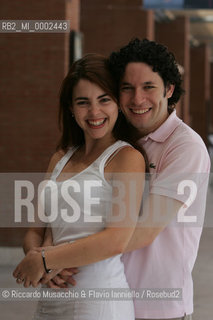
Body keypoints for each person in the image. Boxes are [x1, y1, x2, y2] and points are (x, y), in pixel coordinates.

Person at [13, 53, 146, 320]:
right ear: (71, 109)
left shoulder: (127, 158)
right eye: (83, 102)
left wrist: (47, 260)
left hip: (98, 302)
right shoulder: (59, 158)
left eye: (104, 100)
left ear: (118, 104)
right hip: (51, 297)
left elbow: (116, 240)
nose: (94, 112)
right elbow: (36, 230)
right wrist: (38, 258)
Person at [107, 38, 210, 320]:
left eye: (148, 87)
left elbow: (145, 230)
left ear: (169, 88)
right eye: (127, 88)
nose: (137, 99)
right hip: (107, 300)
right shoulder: (113, 140)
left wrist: (64, 258)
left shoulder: (185, 146)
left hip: (158, 310)